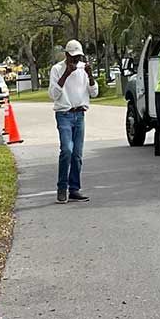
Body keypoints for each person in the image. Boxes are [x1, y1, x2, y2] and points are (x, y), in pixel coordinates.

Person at [48, 38, 98, 203]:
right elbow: (53, 95)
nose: (76, 61)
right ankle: (62, 188)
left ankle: (74, 189)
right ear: (66, 55)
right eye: (73, 57)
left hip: (79, 114)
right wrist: (66, 74)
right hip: (64, 114)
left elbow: (94, 92)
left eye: (78, 57)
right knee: (67, 150)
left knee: (77, 154)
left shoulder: (83, 70)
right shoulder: (57, 69)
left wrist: (90, 76)